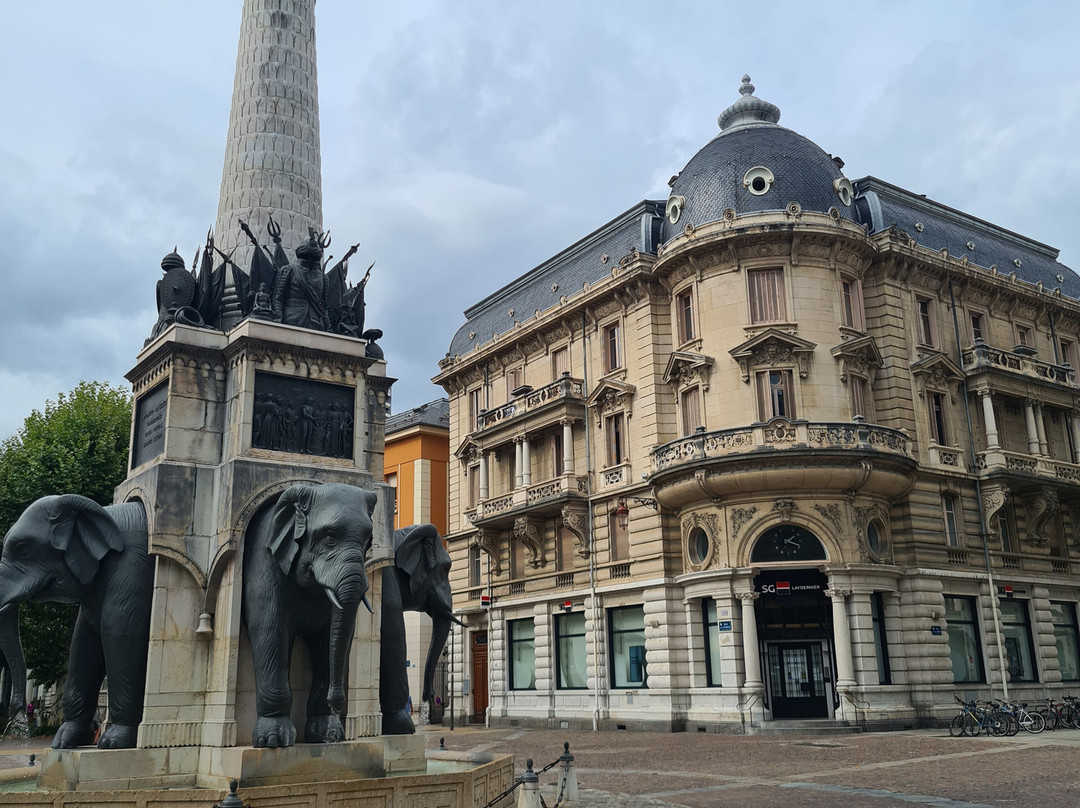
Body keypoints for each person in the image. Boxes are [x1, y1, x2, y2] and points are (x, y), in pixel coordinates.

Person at [272, 234, 330, 331]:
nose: (313, 260)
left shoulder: (324, 278)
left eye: (315, 258)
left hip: (316, 324)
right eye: (311, 257)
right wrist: (278, 318)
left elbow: (324, 306)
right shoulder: (288, 270)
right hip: (291, 320)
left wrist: (328, 326)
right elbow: (278, 298)